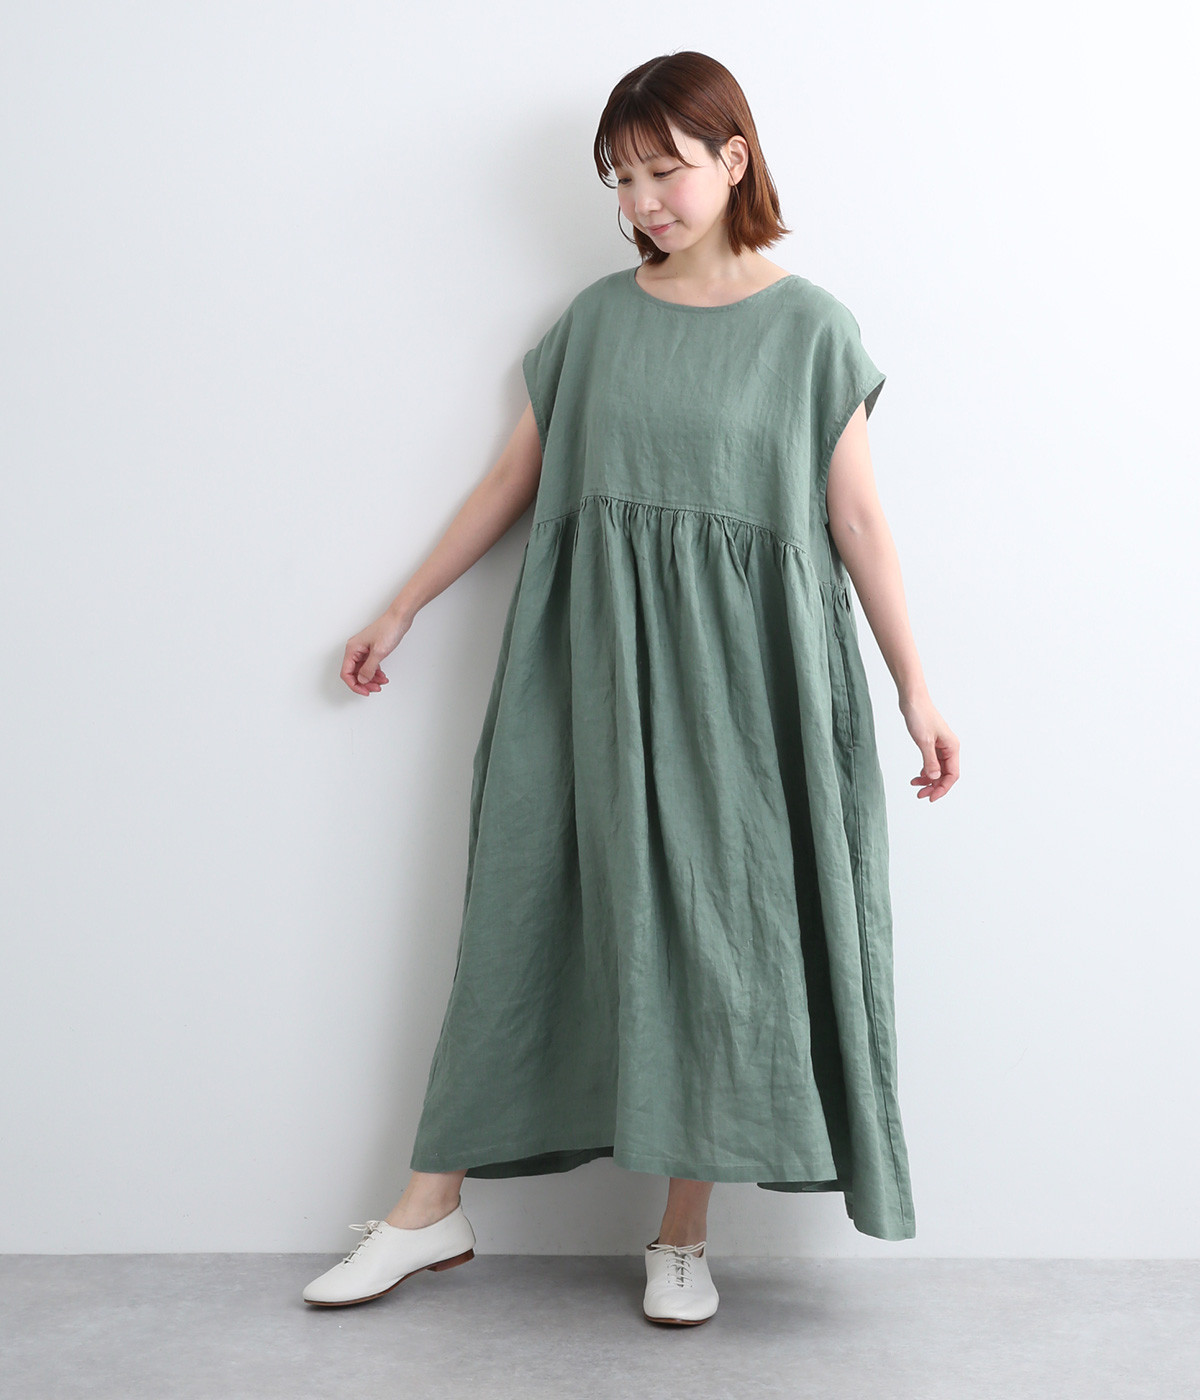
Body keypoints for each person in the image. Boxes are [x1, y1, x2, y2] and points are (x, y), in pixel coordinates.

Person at [303, 50, 959, 1326]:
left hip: (745, 690)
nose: (642, 200)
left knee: (718, 933)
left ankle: (682, 1234)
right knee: (523, 910)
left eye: (665, 169)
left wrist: (914, 688)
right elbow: (513, 481)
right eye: (621, 177)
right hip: (589, 672)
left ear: (734, 159)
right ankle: (429, 1206)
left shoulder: (812, 331)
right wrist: (402, 603)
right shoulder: (597, 322)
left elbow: (859, 523)